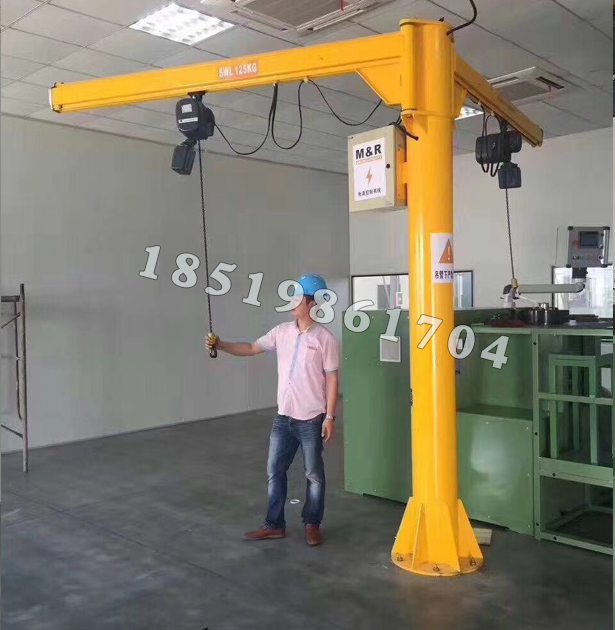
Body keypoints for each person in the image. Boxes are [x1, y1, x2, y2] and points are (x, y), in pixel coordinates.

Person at [205, 274, 339, 546]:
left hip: (311, 419)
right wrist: (221, 344)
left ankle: (312, 524)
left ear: (312, 303)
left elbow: (332, 378)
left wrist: (329, 417)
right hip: (283, 419)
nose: (292, 302)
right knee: (274, 471)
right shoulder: (281, 332)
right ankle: (274, 525)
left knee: (314, 475)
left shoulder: (325, 339)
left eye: (297, 298)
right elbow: (251, 348)